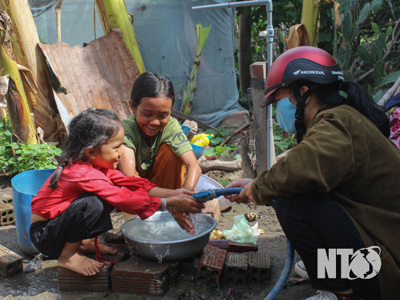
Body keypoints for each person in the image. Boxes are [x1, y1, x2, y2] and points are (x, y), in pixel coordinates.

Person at [226, 46, 400, 300]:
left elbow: (301, 170)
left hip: (386, 270)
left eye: (278, 99)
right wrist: (256, 184)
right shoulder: (341, 120)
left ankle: (341, 291)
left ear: (302, 93)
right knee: (294, 192)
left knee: (291, 201)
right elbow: (306, 168)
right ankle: (335, 270)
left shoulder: (337, 123)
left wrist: (258, 187)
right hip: (382, 254)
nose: (277, 109)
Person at [30, 109, 204, 277]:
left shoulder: (95, 166)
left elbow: (134, 185)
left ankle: (81, 244)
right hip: (45, 235)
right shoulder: (81, 173)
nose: (121, 152)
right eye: (116, 147)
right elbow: (123, 198)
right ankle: (68, 256)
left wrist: (174, 193)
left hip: (59, 226)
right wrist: (170, 204)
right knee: (93, 204)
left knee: (100, 199)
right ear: (91, 152)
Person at [119, 72, 202, 190]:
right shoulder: (125, 131)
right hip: (134, 194)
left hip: (164, 192)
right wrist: (172, 198)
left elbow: (194, 166)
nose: (155, 122)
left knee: (172, 153)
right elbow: (130, 179)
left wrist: (186, 194)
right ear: (133, 106)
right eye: (147, 114)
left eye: (163, 116)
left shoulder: (170, 126)